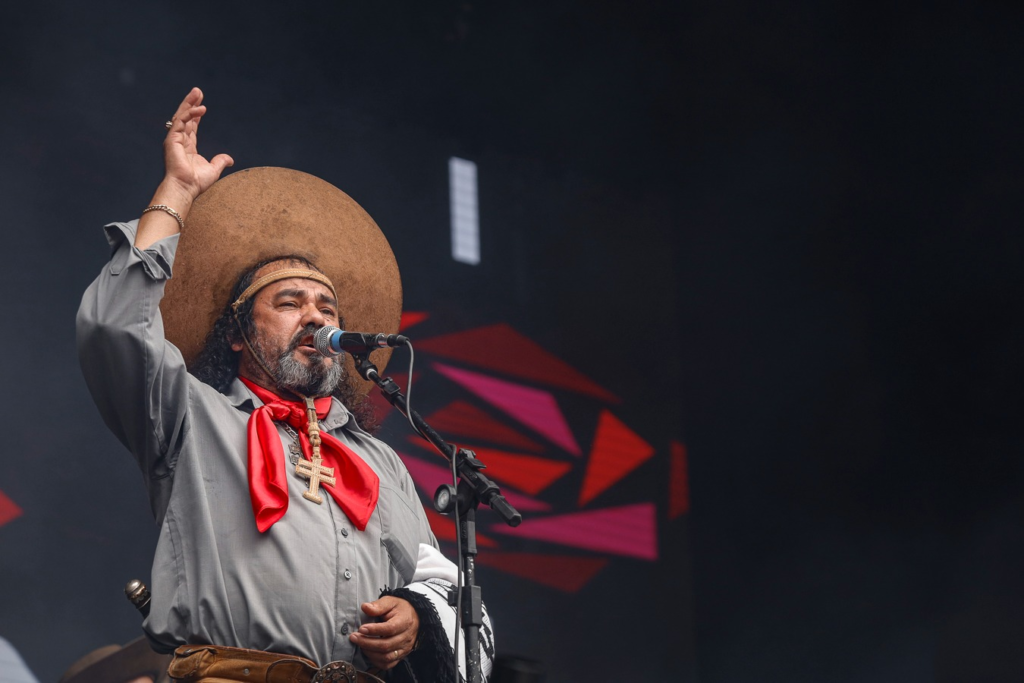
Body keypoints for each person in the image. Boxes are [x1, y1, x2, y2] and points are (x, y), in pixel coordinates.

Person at [77, 88, 492, 683]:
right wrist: (177, 193)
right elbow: (114, 327)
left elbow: (447, 591)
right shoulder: (190, 415)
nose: (316, 317)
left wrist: (417, 618)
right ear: (238, 333)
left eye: (328, 307)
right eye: (290, 302)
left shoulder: (382, 464)